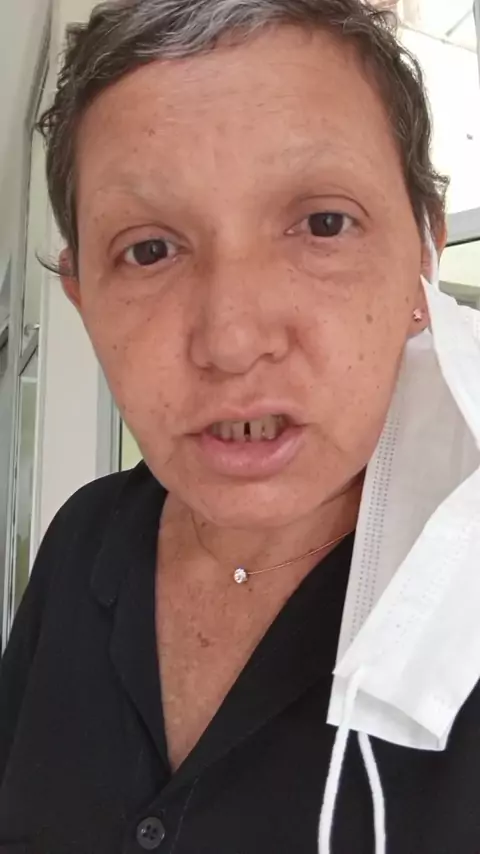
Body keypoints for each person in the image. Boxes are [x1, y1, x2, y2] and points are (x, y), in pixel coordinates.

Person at [1, 0, 480, 852]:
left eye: (323, 224)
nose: (230, 340)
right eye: (150, 250)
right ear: (82, 298)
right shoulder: (83, 541)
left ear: (422, 261)